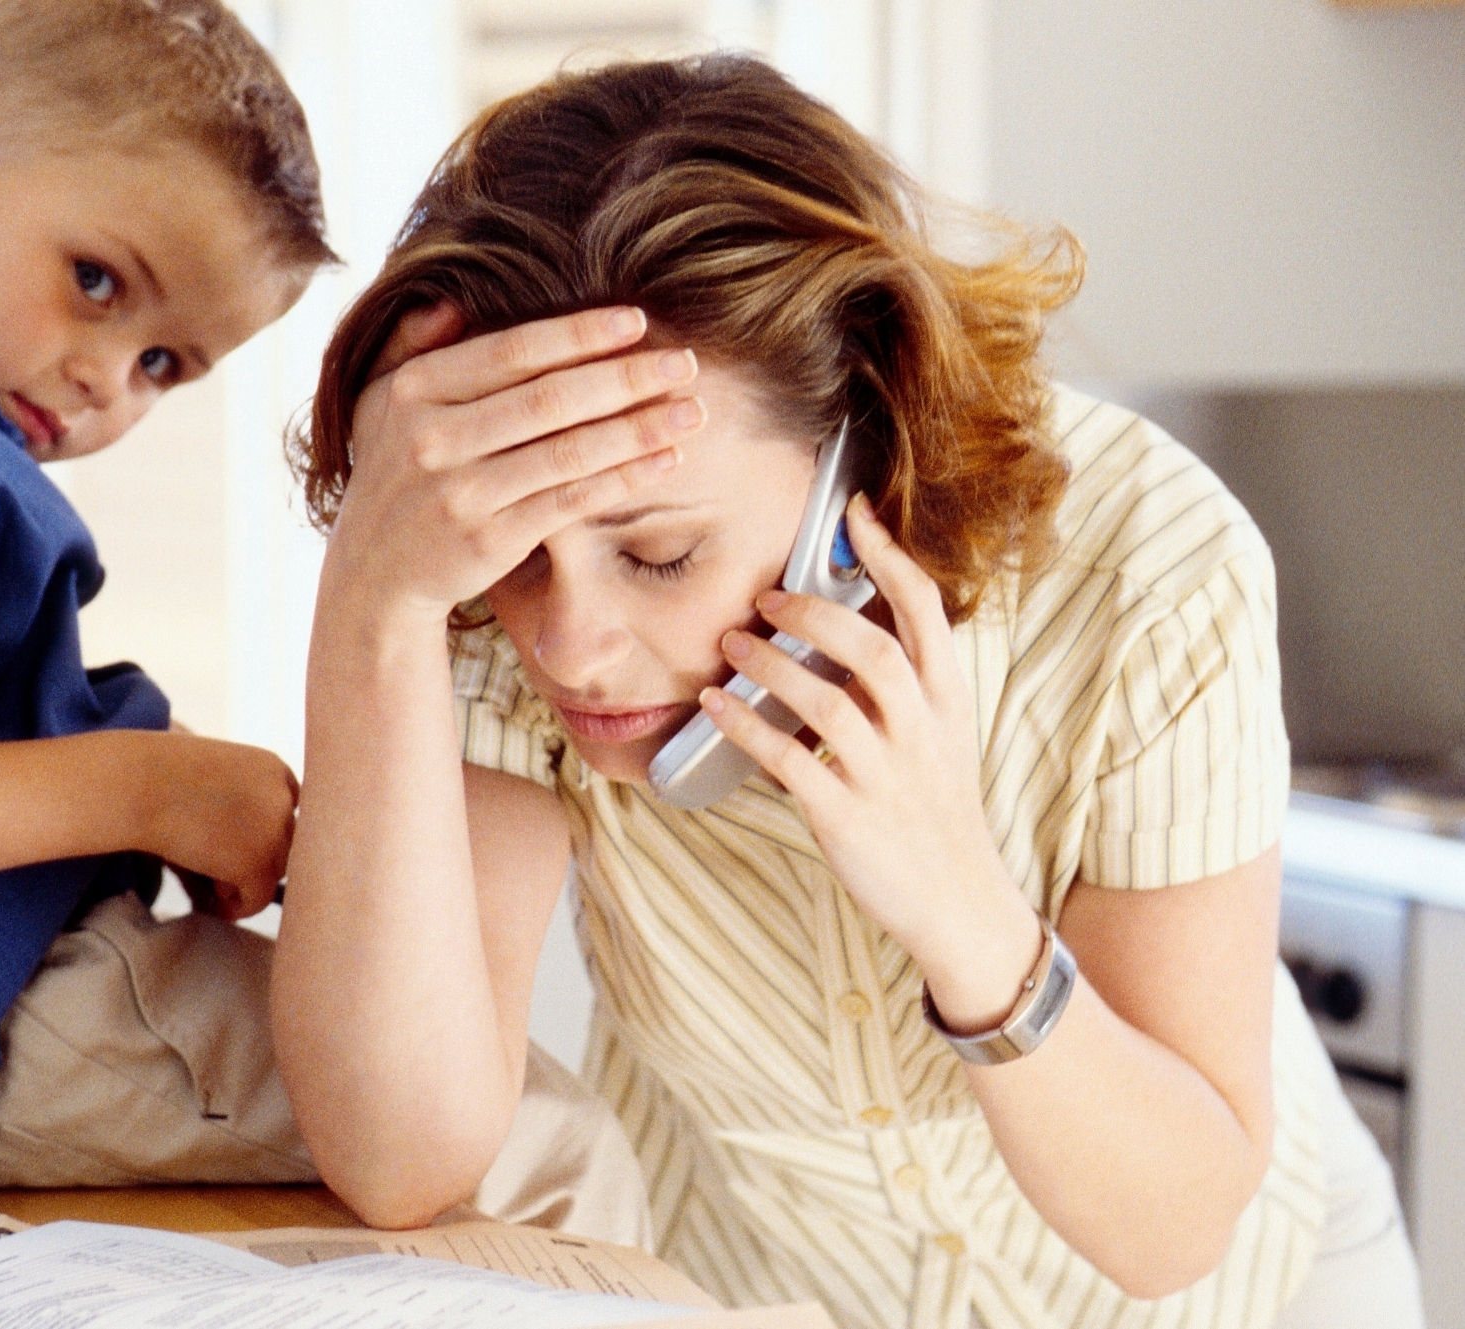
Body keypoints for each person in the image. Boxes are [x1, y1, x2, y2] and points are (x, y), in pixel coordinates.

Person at [276, 54, 1424, 1329]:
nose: (570, 646)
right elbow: (401, 1159)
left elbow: (1169, 1231)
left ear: (855, 458)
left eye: (661, 555)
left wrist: (960, 907)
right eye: (519, 561)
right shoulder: (478, 596)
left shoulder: (1146, 569)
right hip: (776, 1296)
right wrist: (374, 602)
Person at [0, 0, 647, 1243]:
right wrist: (150, 789)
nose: (107, 380)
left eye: (162, 366)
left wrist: (169, 786)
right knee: (546, 1138)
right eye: (95, 282)